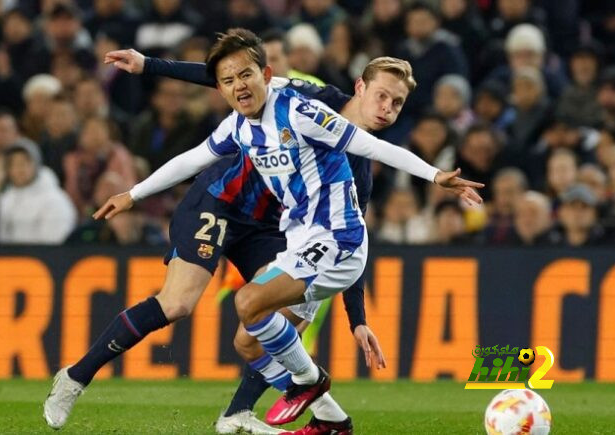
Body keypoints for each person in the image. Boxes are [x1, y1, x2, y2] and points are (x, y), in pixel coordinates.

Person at [45, 30, 482, 433]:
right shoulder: (306, 98)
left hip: (274, 225)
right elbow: (231, 78)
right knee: (178, 304)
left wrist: (357, 318)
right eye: (381, 96)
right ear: (360, 88)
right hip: (221, 201)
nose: (386, 109)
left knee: (267, 321)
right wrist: (151, 66)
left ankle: (244, 411)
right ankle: (75, 377)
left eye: (397, 103)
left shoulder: (360, 171)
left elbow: (351, 234)